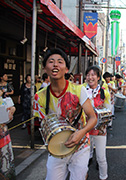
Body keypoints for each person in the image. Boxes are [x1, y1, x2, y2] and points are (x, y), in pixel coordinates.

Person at [33, 48, 97, 180]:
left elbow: (93, 118)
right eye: (51, 62)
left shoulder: (79, 90)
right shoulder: (39, 96)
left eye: (60, 62)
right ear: (45, 68)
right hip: (57, 148)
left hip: (81, 145)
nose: (55, 64)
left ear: (66, 69)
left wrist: (81, 133)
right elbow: (45, 125)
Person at [84, 66, 111, 180]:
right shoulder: (81, 90)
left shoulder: (104, 92)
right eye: (88, 75)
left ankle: (103, 177)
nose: (90, 77)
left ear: (98, 77)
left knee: (101, 158)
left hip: (99, 130)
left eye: (93, 75)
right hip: (84, 130)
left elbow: (108, 111)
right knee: (82, 159)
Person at [0, 89, 16, 179]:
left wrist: (11, 111)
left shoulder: (2, 95)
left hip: (4, 139)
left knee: (6, 169)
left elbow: (12, 107)